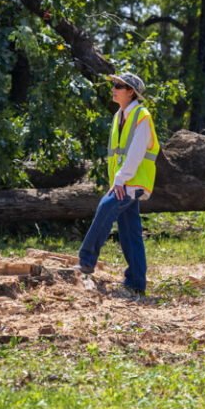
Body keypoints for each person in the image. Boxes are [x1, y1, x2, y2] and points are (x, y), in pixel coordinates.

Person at [75, 73, 159, 296]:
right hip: (123, 182)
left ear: (131, 92)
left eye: (118, 85)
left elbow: (136, 153)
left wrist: (120, 180)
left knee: (105, 209)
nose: (113, 88)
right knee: (130, 232)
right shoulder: (118, 116)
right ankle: (136, 282)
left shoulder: (142, 116)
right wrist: (117, 180)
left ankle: (86, 261)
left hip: (131, 181)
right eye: (113, 84)